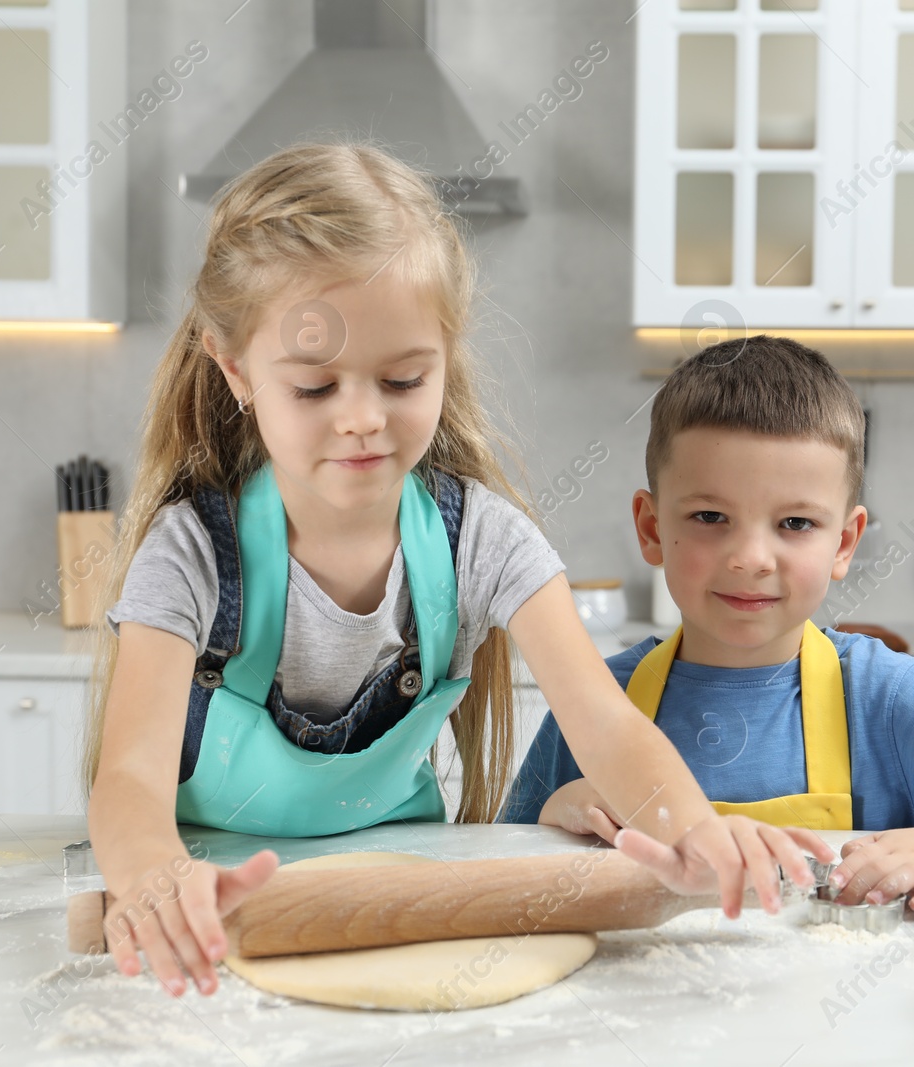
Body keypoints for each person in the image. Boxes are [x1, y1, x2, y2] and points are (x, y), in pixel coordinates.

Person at [82, 145, 832, 999]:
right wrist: (150, 876)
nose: (363, 418)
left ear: (443, 356)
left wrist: (696, 831)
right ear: (236, 371)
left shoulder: (482, 541)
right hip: (211, 916)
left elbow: (608, 728)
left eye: (403, 378)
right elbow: (131, 776)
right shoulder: (190, 555)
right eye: (316, 388)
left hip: (412, 895)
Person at [501, 335, 914, 915]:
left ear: (845, 542)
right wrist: (560, 811)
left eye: (795, 523)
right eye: (711, 515)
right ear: (652, 527)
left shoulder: (883, 697)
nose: (751, 558)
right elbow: (492, 858)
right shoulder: (596, 706)